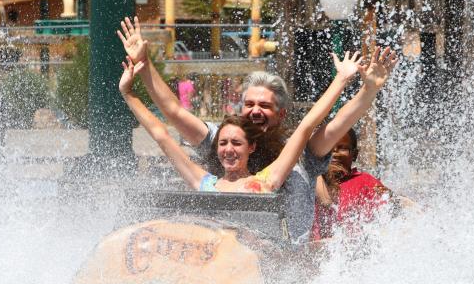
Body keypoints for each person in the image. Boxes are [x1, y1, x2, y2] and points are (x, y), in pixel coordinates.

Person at [117, 16, 398, 242]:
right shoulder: (222, 142)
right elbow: (170, 119)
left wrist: (366, 89)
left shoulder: (288, 160)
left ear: (280, 114)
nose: (255, 111)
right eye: (249, 104)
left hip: (287, 260)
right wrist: (143, 67)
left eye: (264, 106)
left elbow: (315, 127)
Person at [118, 51, 364, 194]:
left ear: (251, 147)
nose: (227, 149)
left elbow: (308, 125)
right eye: (223, 143)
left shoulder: (268, 179)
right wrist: (129, 93)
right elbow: (162, 135)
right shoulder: (206, 182)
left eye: (236, 143)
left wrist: (342, 80)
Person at [310, 129, 414, 241]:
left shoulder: (365, 182)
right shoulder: (310, 180)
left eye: (343, 148)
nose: (334, 153)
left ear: (354, 155)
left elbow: (398, 204)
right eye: (328, 147)